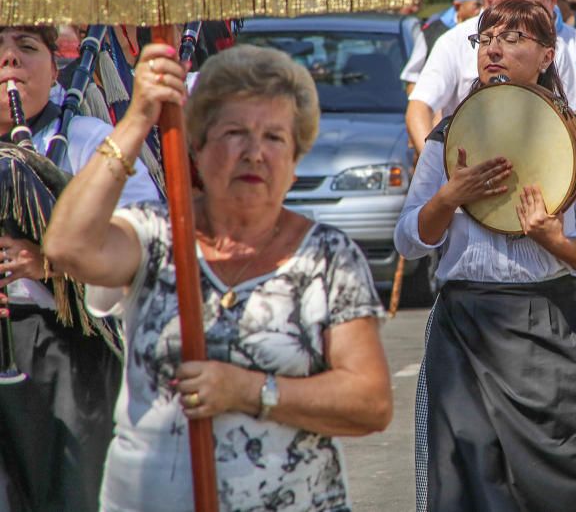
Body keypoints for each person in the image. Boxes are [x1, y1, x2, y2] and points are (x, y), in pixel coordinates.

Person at [44, 43, 393, 511]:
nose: (254, 153)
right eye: (234, 133)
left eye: (274, 138)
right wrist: (138, 117)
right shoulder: (155, 234)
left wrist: (249, 390)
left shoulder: (328, 258)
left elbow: (369, 401)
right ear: (199, 148)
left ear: (295, 159)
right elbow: (67, 246)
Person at [395, 0, 576, 512]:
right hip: (465, 326)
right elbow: (409, 239)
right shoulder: (447, 140)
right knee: (466, 480)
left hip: (550, 327)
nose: (494, 50)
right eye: (485, 40)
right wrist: (448, 198)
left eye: (511, 40)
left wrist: (557, 242)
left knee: (560, 486)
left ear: (548, 56)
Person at [0, 25, 160, 512]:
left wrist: (47, 264)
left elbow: (145, 241)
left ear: (55, 69)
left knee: (73, 492)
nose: (11, 62)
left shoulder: (92, 140)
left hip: (69, 343)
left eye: (27, 48)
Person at [406, 0, 576, 154]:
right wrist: (440, 167)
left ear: (546, 56)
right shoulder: (452, 42)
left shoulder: (548, 41)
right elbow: (419, 107)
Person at [400, 0, 480, 94]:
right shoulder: (432, 33)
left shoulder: (486, 32)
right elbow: (412, 78)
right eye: (477, 6)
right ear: (458, 6)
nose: (481, 11)